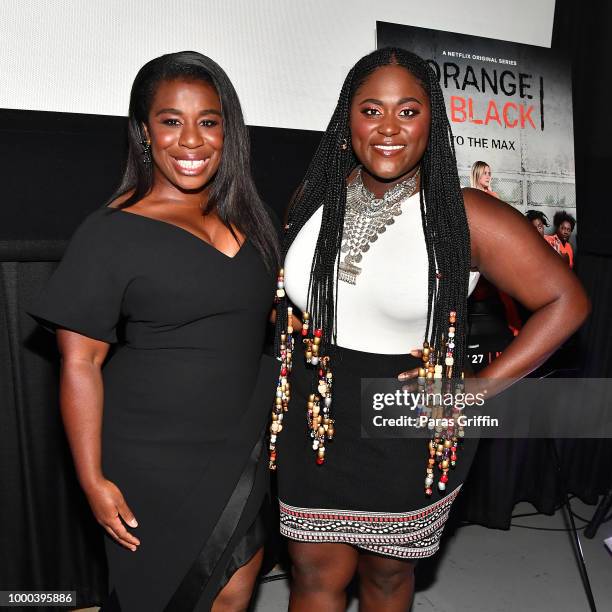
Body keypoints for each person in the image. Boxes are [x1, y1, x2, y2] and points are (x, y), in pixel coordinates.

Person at [270, 47, 590, 611]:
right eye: (372, 110)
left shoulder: (466, 215)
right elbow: (292, 300)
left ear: (432, 121)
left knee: (387, 576)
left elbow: (567, 301)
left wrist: (476, 389)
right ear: (349, 119)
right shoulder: (311, 196)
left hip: (407, 420)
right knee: (313, 571)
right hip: (314, 416)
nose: (389, 128)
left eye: (408, 111)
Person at [28, 51, 279, 611]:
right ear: (144, 132)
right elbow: (79, 364)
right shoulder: (111, 232)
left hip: (240, 443)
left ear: (227, 131)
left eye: (208, 121)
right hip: (149, 459)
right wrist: (91, 479)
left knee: (237, 586)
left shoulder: (252, 221)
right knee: (161, 596)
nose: (191, 139)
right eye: (171, 121)